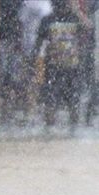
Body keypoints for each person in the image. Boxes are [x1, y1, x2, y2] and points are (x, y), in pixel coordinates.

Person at [33, 0, 88, 129]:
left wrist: (78, 12)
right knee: (51, 101)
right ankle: (50, 131)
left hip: (72, 67)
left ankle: (71, 132)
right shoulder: (47, 20)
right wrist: (35, 61)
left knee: (73, 101)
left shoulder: (75, 18)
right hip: (53, 67)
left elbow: (87, 30)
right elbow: (39, 42)